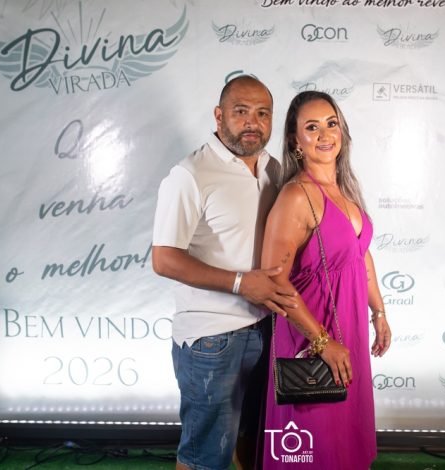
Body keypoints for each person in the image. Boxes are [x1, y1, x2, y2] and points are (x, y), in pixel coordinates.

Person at [151, 75, 298, 470]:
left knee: (256, 443)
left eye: (263, 113)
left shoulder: (272, 168)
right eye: (241, 112)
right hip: (211, 338)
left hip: (267, 328)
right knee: (205, 456)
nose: (253, 122)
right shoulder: (191, 174)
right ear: (219, 116)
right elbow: (164, 259)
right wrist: (240, 282)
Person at [261, 91, 392, 469]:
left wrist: (379, 312)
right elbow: (274, 282)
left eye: (331, 124)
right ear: (295, 140)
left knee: (343, 443)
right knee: (313, 447)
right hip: (311, 338)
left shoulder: (345, 191)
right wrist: (322, 342)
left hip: (348, 333)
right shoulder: (295, 196)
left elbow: (360, 255)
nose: (324, 134)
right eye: (312, 127)